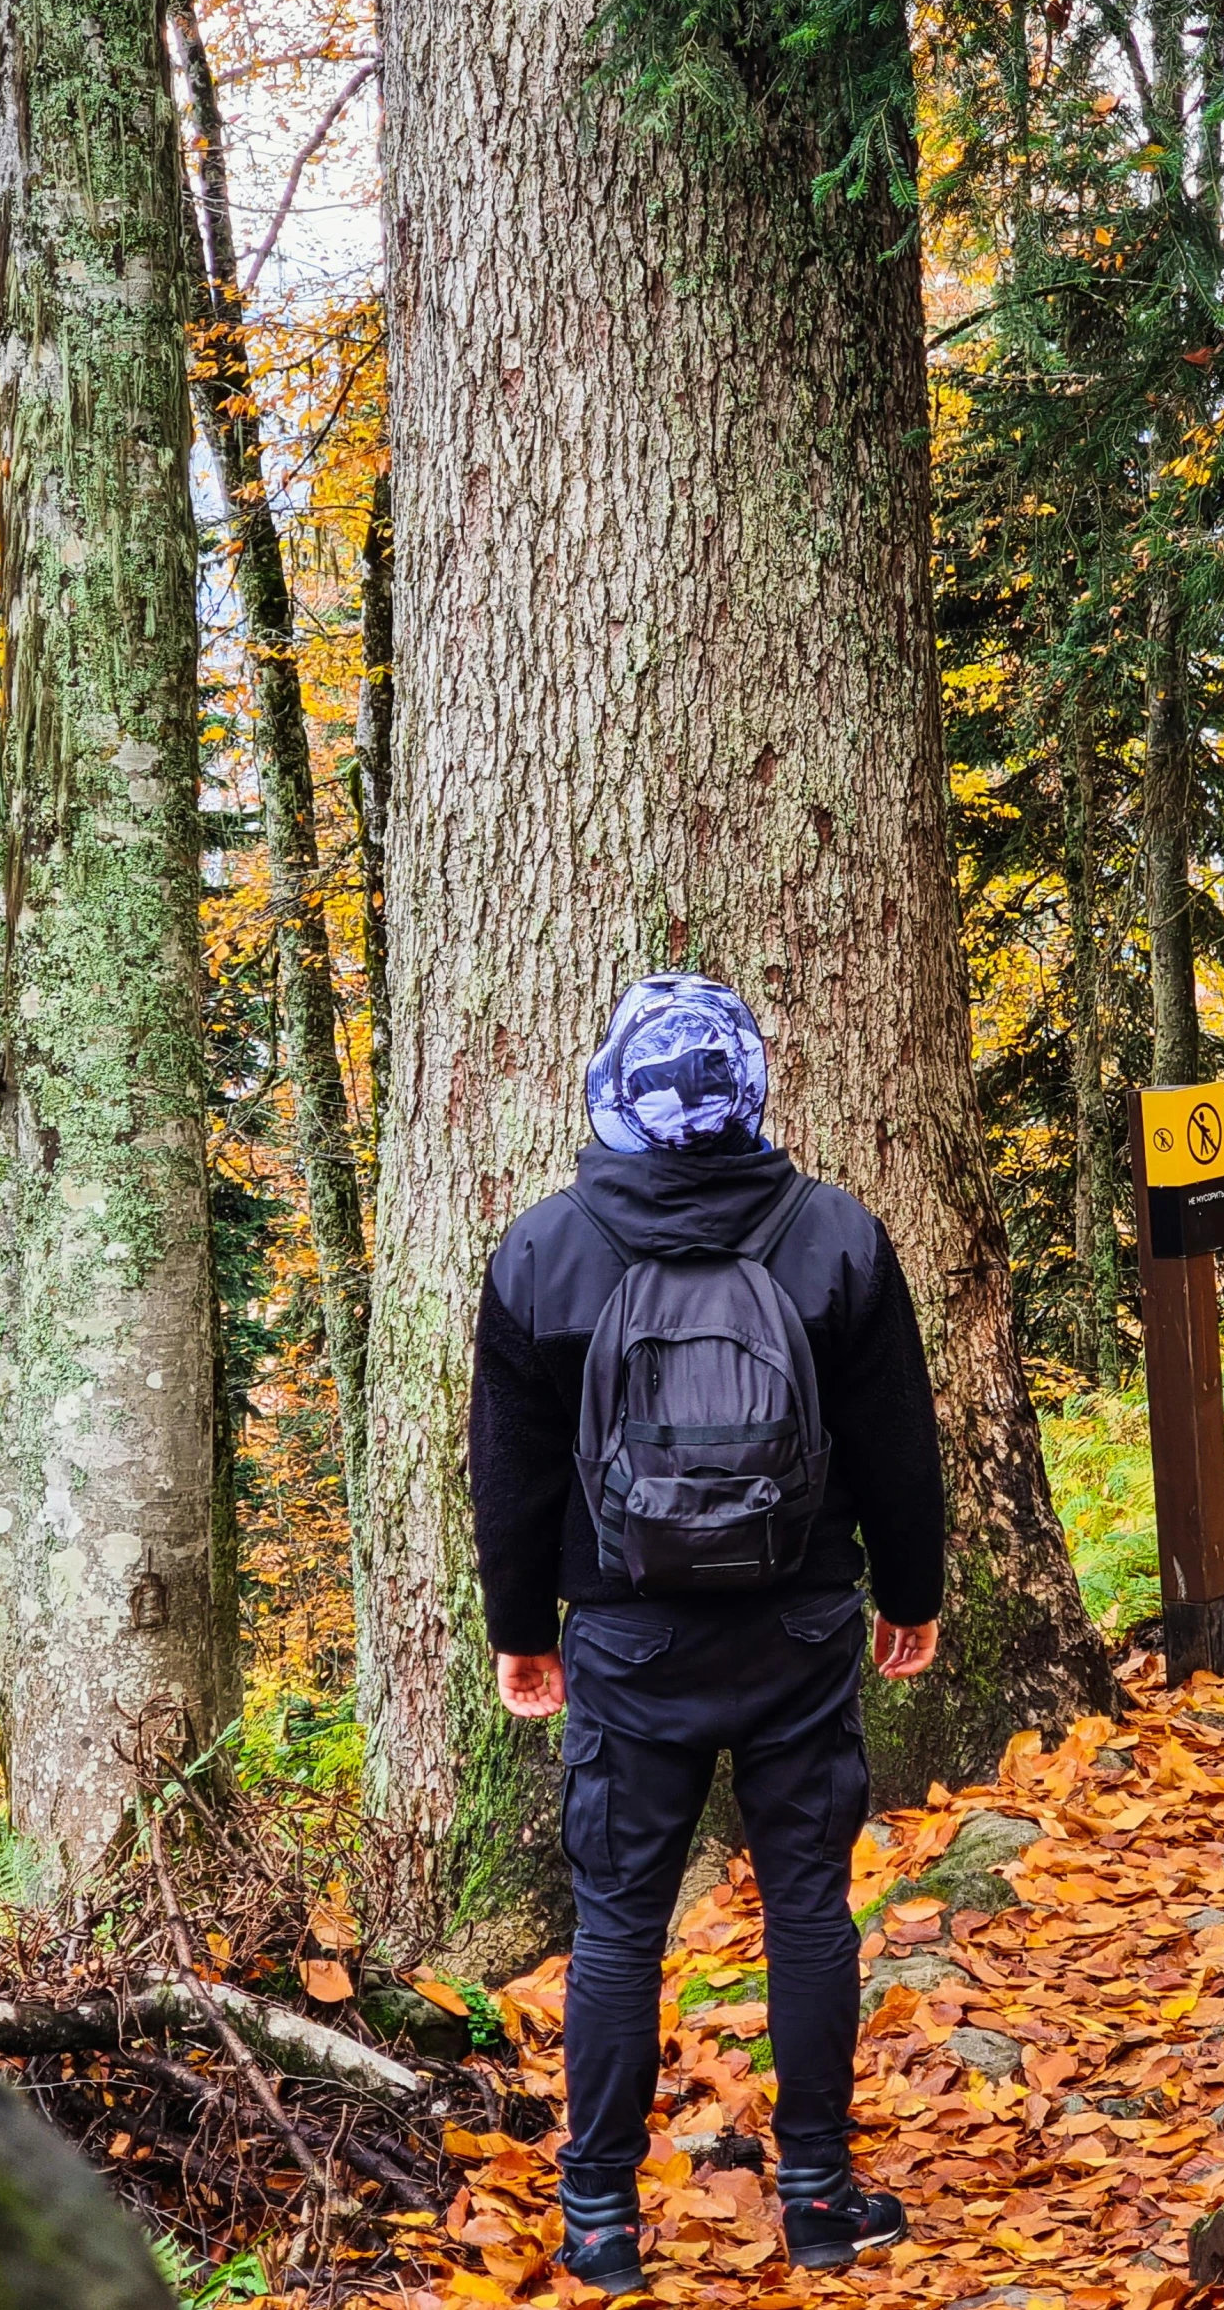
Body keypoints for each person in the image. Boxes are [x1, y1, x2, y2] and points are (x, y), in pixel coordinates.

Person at [469, 975, 945, 2292]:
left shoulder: (543, 1253)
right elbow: (900, 1450)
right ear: (750, 1095)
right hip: (800, 1629)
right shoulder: (836, 1238)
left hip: (627, 1642)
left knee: (618, 1924)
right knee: (807, 1909)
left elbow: (507, 1480)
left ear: (615, 1092)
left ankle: (602, 2227)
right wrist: (912, 1593)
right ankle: (820, 2199)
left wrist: (524, 1627)